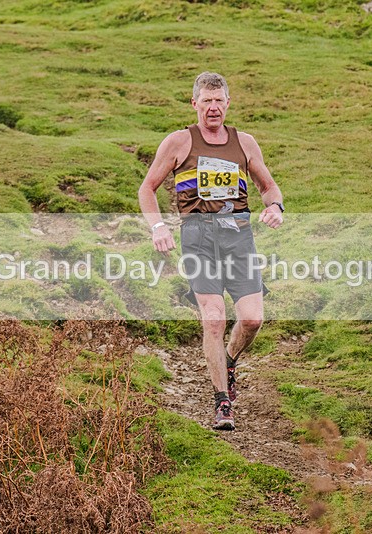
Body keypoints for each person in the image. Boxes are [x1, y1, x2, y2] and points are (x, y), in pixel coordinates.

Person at [138, 72, 284, 430]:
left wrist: (274, 207)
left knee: (251, 319)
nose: (213, 108)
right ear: (195, 104)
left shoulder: (245, 143)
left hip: (238, 237)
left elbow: (269, 187)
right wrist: (157, 227)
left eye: (219, 101)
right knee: (214, 317)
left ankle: (229, 359)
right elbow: (147, 189)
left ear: (228, 104)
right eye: (207, 101)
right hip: (198, 238)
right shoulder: (178, 142)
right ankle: (222, 403)